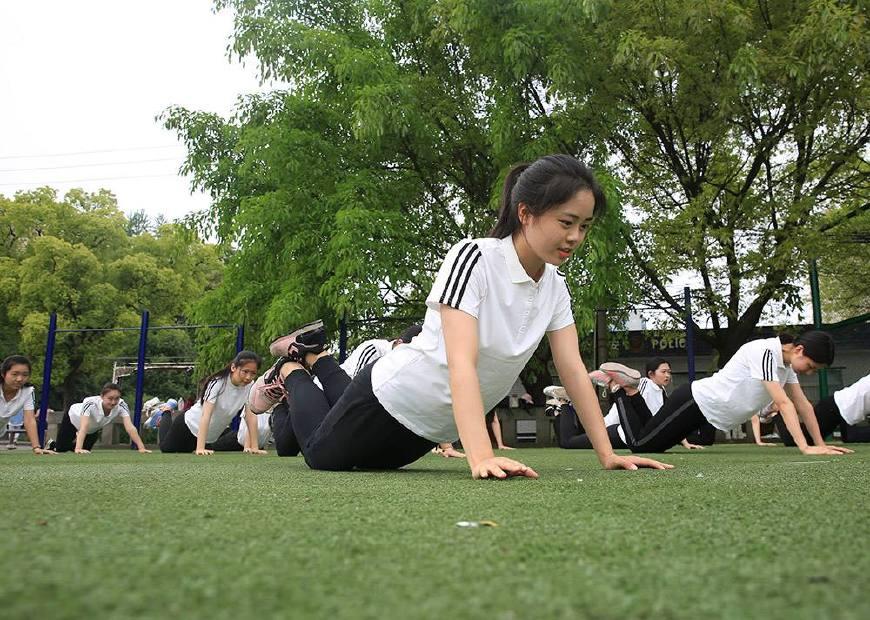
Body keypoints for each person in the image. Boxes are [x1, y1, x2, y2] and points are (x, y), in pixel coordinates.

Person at [266, 154, 671, 477]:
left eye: (584, 226)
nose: (575, 237)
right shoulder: (474, 257)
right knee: (321, 455)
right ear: (526, 213)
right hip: (394, 396)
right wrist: (481, 456)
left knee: (370, 465)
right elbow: (463, 361)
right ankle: (295, 368)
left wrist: (607, 454)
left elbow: (573, 370)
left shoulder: (555, 287)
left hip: (431, 428)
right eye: (566, 223)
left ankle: (317, 362)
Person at [597, 332, 854, 456]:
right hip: (695, 402)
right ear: (799, 349)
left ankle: (631, 391)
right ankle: (621, 390)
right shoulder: (766, 352)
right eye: (810, 366)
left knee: (651, 443)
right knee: (641, 447)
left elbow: (804, 406)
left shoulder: (785, 366)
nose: (810, 373)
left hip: (707, 414)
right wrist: (806, 448)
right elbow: (784, 403)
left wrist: (820, 444)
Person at [552, 358, 704, 450]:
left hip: (624, 432)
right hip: (617, 430)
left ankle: (560, 407)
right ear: (651, 374)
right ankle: (564, 402)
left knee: (573, 438)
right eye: (663, 372)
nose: (667, 375)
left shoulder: (662, 392)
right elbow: (636, 407)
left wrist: (684, 442)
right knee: (568, 442)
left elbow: (661, 422)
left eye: (669, 372)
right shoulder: (646, 383)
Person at [159, 350, 262, 455]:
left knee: (187, 452)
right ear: (233, 367)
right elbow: (206, 414)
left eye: (253, 373)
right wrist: (200, 448)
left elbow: (250, 416)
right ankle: (166, 411)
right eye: (245, 371)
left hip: (209, 437)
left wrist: (254, 447)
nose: (248, 377)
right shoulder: (217, 382)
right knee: (166, 449)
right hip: (187, 427)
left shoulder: (250, 386)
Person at [47, 383, 150, 453]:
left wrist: (141, 448)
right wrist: (78, 449)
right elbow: (84, 426)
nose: (113, 402)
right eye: (110, 398)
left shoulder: (122, 405)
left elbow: (130, 427)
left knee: (86, 451)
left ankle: (74, 444)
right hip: (72, 419)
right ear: (102, 396)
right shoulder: (90, 402)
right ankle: (52, 444)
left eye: (117, 398)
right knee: (61, 449)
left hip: (92, 429)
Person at [773, 373, 870, 444]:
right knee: (793, 441)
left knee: (851, 437)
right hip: (834, 406)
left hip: (843, 409)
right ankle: (775, 412)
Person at [0, 355, 52, 454]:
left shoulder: (28, 391)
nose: (20, 379)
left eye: (25, 375)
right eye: (14, 374)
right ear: (3, 374)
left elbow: (29, 419)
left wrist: (36, 447)